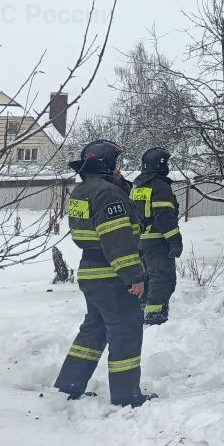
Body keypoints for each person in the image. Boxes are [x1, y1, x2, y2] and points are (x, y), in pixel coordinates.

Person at [54, 139, 155, 407]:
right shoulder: (108, 194)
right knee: (126, 332)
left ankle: (69, 385)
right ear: (108, 163)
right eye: (115, 162)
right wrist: (134, 277)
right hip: (113, 275)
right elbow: (117, 239)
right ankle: (127, 396)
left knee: (94, 330)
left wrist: (118, 184)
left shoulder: (83, 191)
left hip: (91, 272)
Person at [130, 147, 183, 325]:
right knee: (162, 279)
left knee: (146, 279)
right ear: (160, 165)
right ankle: (155, 317)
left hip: (141, 243)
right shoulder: (160, 187)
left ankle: (142, 313)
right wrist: (175, 242)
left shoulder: (139, 188)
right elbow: (165, 218)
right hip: (158, 243)